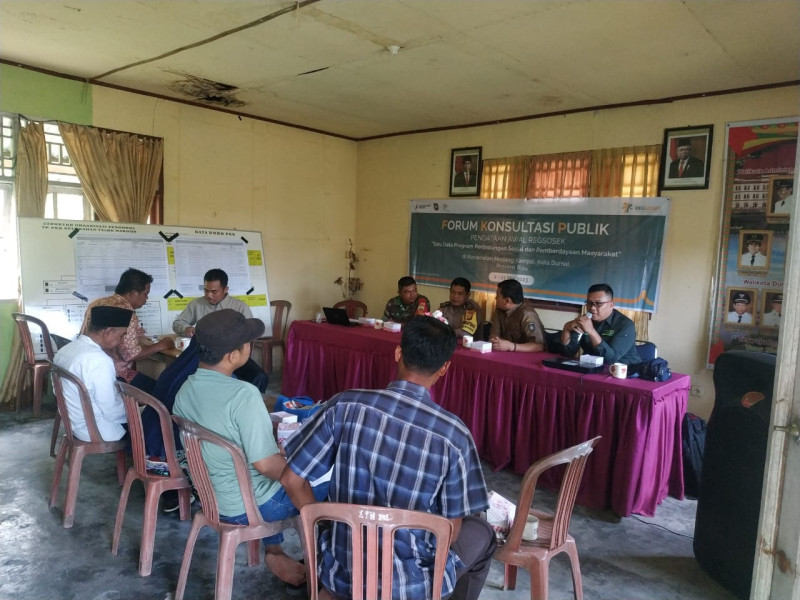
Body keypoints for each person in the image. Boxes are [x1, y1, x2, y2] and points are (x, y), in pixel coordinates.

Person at [280, 316, 495, 600]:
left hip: (342, 574)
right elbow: (450, 532)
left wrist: (327, 523)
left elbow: (291, 479)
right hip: (411, 587)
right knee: (483, 532)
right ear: (445, 368)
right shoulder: (455, 436)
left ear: (397, 353)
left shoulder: (345, 405)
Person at [173, 309, 327, 586]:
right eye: (248, 343)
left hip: (212, 499)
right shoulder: (244, 394)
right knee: (330, 476)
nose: (251, 347)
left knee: (273, 472)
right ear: (233, 355)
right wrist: (300, 467)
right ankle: (328, 567)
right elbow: (266, 466)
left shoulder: (185, 389)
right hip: (251, 507)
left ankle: (274, 550)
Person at [81, 268, 174, 394]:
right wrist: (161, 345)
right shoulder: (126, 313)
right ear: (134, 293)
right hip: (115, 374)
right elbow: (130, 354)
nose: (146, 299)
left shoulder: (96, 303)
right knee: (164, 391)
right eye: (145, 294)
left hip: (89, 367)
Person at [172, 268, 268, 392]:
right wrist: (186, 329)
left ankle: (252, 401)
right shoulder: (196, 304)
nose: (209, 295)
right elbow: (177, 323)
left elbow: (249, 335)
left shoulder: (239, 307)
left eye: (214, 291)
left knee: (259, 376)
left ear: (225, 289)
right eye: (206, 290)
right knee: (183, 378)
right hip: (204, 357)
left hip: (232, 357)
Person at [54, 306, 133, 442]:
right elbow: (111, 410)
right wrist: (135, 409)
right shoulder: (99, 359)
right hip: (98, 430)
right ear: (108, 332)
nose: (122, 340)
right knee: (152, 420)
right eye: (122, 335)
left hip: (73, 424)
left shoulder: (65, 350)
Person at [560, 283, 641, 365]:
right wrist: (566, 328)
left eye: (599, 304)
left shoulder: (625, 325)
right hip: (591, 366)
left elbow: (611, 359)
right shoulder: (585, 320)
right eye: (589, 303)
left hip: (624, 370)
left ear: (611, 305)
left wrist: (591, 331)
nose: (592, 308)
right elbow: (568, 353)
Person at [488, 279, 545, 352]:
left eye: (497, 296)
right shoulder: (499, 310)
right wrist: (495, 341)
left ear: (507, 300)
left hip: (526, 356)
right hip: (505, 354)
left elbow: (538, 346)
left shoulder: (527, 314)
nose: (495, 298)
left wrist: (512, 346)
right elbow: (494, 334)